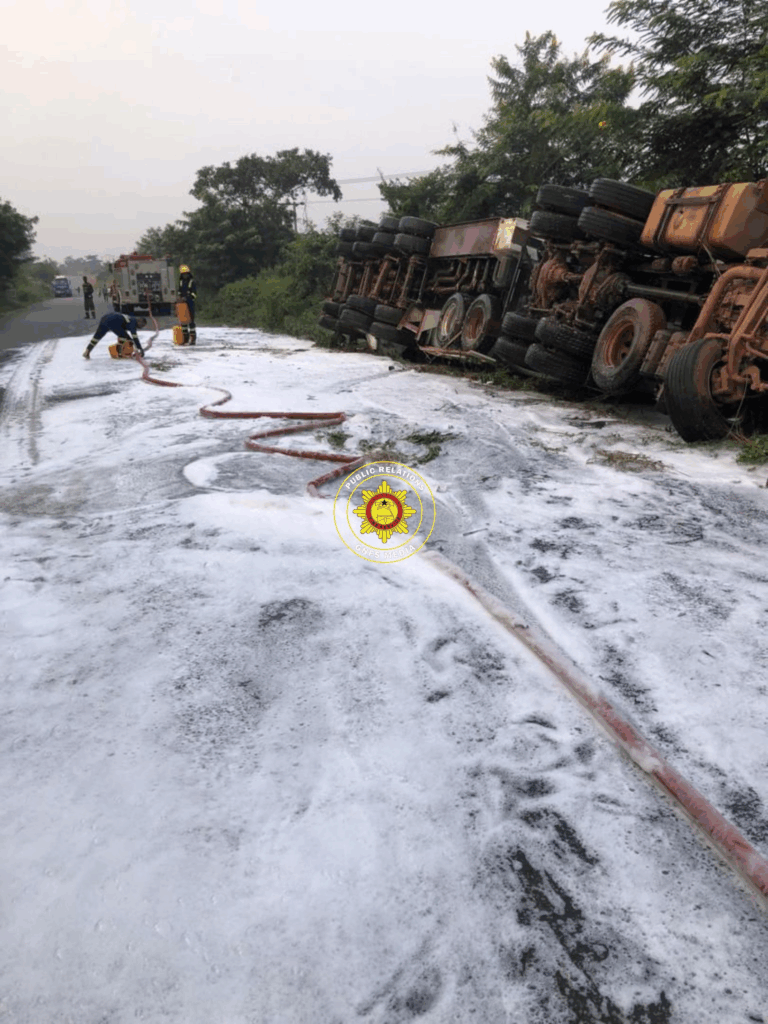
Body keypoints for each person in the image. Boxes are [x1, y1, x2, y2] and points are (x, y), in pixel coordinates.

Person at [83, 312, 147, 359]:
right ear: (139, 321)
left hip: (105, 318)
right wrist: (140, 348)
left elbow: (131, 338)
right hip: (113, 321)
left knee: (97, 337)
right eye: (142, 325)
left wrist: (133, 344)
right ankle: (119, 353)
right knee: (123, 337)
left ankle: (87, 351)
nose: (141, 327)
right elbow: (135, 337)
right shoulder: (133, 322)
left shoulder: (131, 319)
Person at [178, 264, 197, 345]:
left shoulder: (192, 282)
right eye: (183, 274)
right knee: (183, 321)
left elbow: (194, 294)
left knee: (191, 321)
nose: (185, 275)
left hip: (190, 303)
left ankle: (192, 339)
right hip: (182, 304)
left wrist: (188, 298)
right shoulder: (181, 282)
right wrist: (179, 298)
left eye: (186, 274)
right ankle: (185, 338)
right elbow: (179, 291)